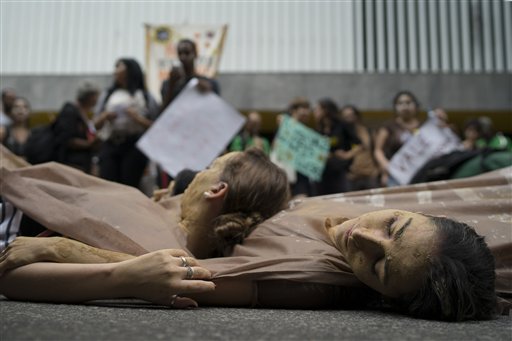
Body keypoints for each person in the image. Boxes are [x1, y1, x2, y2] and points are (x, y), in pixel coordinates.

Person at [0, 147, 506, 321]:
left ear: (382, 296)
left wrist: (75, 254)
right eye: (392, 225)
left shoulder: (309, 281)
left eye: (378, 267)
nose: (363, 239)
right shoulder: (343, 211)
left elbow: (173, 277)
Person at [94, 58, 159, 187]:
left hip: (134, 146)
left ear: (130, 70)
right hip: (110, 143)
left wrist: (137, 118)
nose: (116, 71)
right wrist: (105, 116)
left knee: (129, 185)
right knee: (107, 184)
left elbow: (156, 126)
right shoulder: (108, 94)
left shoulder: (145, 96)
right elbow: (95, 125)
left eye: (120, 67)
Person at [374, 91, 422, 187]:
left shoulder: (423, 127)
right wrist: (387, 168)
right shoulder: (389, 126)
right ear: (395, 107)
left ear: (415, 105)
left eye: (408, 103)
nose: (405, 106)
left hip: (418, 174)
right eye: (400, 103)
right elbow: (378, 150)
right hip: (394, 175)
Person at [313, 98, 360, 195]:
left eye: (317, 109)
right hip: (322, 173)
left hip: (340, 172)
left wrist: (347, 155)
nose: (314, 112)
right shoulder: (319, 129)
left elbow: (360, 144)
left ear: (325, 110)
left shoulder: (342, 125)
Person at [52, 82, 101, 173]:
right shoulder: (70, 111)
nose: (97, 100)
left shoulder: (84, 113)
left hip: (84, 163)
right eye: (95, 96)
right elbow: (66, 139)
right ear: (89, 96)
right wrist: (89, 144)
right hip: (72, 164)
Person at [160, 39, 220, 111]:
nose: (183, 57)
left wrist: (209, 93)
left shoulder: (210, 83)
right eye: (180, 53)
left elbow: (216, 110)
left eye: (187, 53)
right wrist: (171, 86)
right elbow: (163, 113)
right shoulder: (168, 84)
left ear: (195, 54)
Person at [340, 105, 379, 191]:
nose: (349, 119)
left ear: (357, 116)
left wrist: (377, 169)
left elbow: (376, 150)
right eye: (346, 117)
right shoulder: (341, 135)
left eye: (351, 115)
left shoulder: (368, 132)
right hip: (351, 176)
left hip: (370, 174)